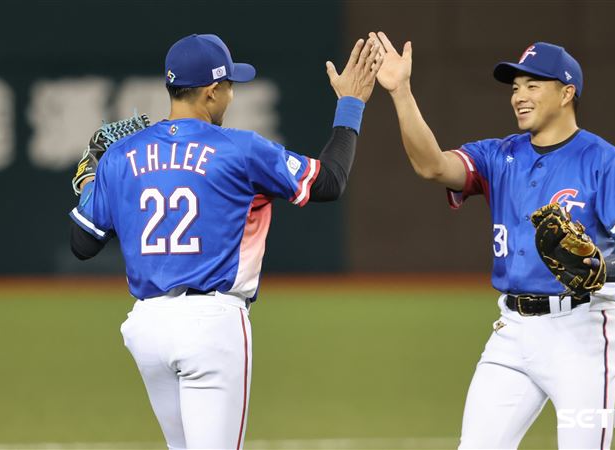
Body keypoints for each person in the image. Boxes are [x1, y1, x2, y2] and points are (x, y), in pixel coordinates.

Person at [68, 33, 382, 449]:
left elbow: (83, 244)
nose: (232, 95)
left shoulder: (122, 154)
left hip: (147, 330)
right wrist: (351, 104)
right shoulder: (241, 149)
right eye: (231, 85)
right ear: (212, 91)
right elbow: (329, 182)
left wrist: (91, 179)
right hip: (212, 325)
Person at [372, 32, 615, 449]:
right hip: (512, 331)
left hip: (580, 331)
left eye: (533, 85)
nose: (519, 96)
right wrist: (401, 93)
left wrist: (604, 267)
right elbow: (432, 166)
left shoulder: (604, 161)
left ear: (567, 93)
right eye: (515, 87)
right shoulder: (498, 155)